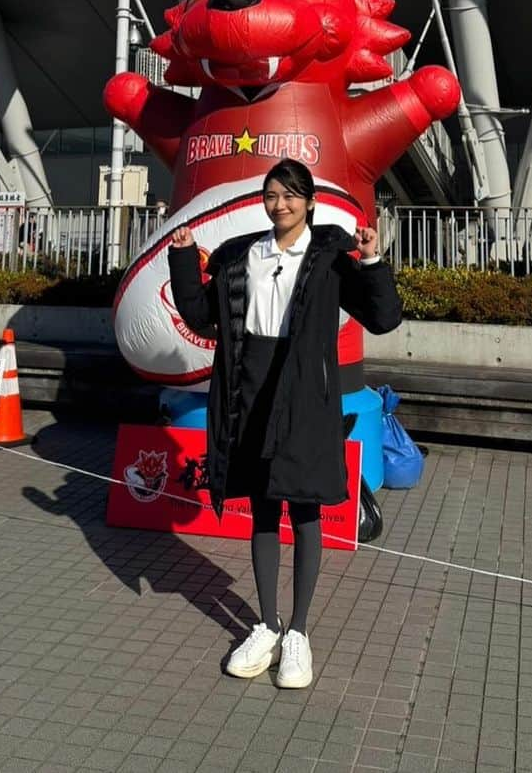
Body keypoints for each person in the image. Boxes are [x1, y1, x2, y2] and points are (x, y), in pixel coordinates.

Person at [168, 158, 401, 689]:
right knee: (263, 509)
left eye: (292, 195)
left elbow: (384, 318)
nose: (281, 204)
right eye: (273, 195)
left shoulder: (330, 258)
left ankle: (298, 632)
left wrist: (371, 260)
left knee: (305, 507)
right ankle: (267, 624)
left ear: (310, 201)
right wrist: (183, 256)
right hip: (247, 393)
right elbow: (201, 314)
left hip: (303, 398)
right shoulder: (243, 255)